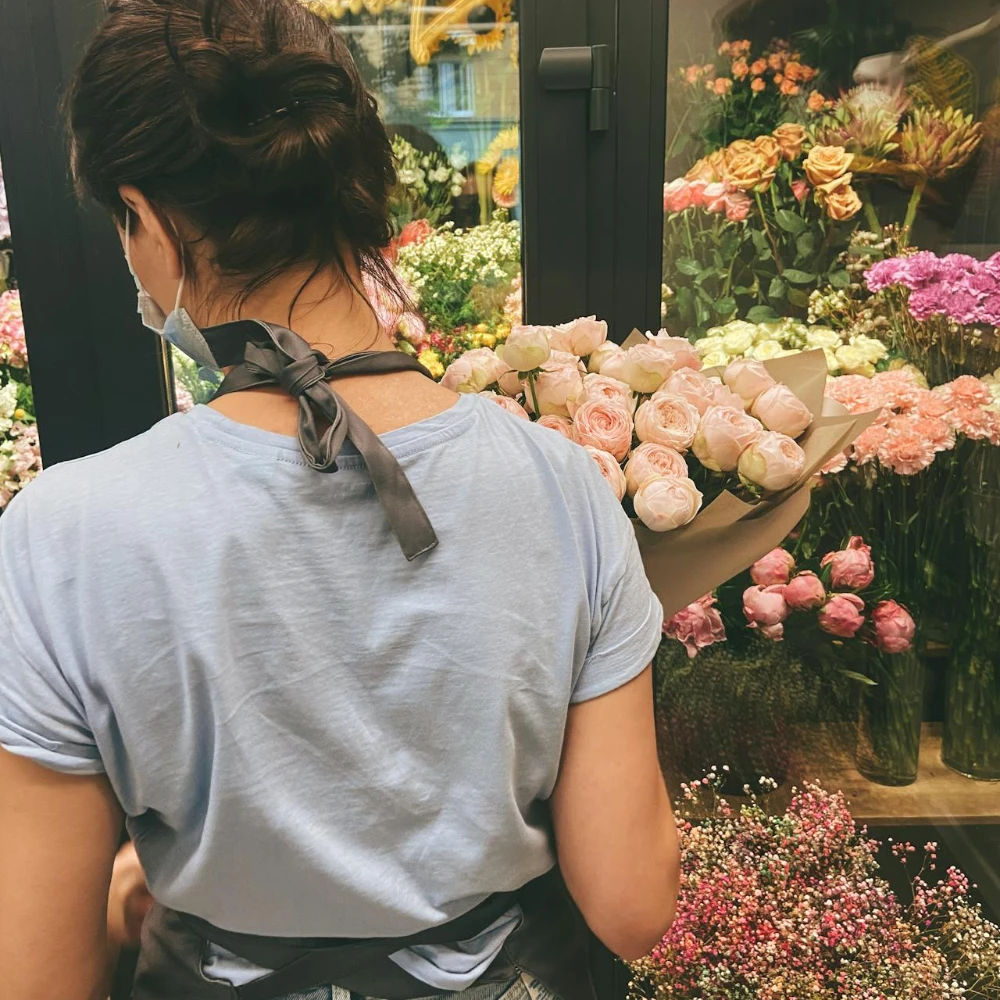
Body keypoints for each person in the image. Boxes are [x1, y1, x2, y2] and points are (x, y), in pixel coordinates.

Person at [0, 2, 679, 998]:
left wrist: (138, 887)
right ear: (353, 192)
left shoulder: (62, 537)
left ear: (145, 218)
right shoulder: (565, 489)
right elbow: (631, 902)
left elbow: (34, 975)